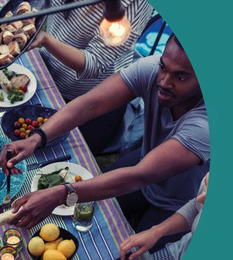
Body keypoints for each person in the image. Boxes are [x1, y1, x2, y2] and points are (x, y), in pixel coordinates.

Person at [0, 34, 209, 252]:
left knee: (130, 256)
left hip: (180, 204)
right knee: (91, 214)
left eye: (181, 78)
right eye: (163, 68)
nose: (164, 82)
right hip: (145, 163)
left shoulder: (205, 125)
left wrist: (62, 193)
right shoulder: (152, 70)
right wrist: (36, 137)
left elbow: (140, 175)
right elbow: (89, 104)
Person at [29, 0, 154, 154]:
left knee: (46, 154)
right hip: (47, 72)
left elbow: (94, 64)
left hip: (91, 102)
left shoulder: (138, 3)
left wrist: (46, 40)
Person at [120, 173, 209, 260]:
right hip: (176, 255)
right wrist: (156, 231)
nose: (201, 198)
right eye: (206, 185)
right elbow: (196, 205)